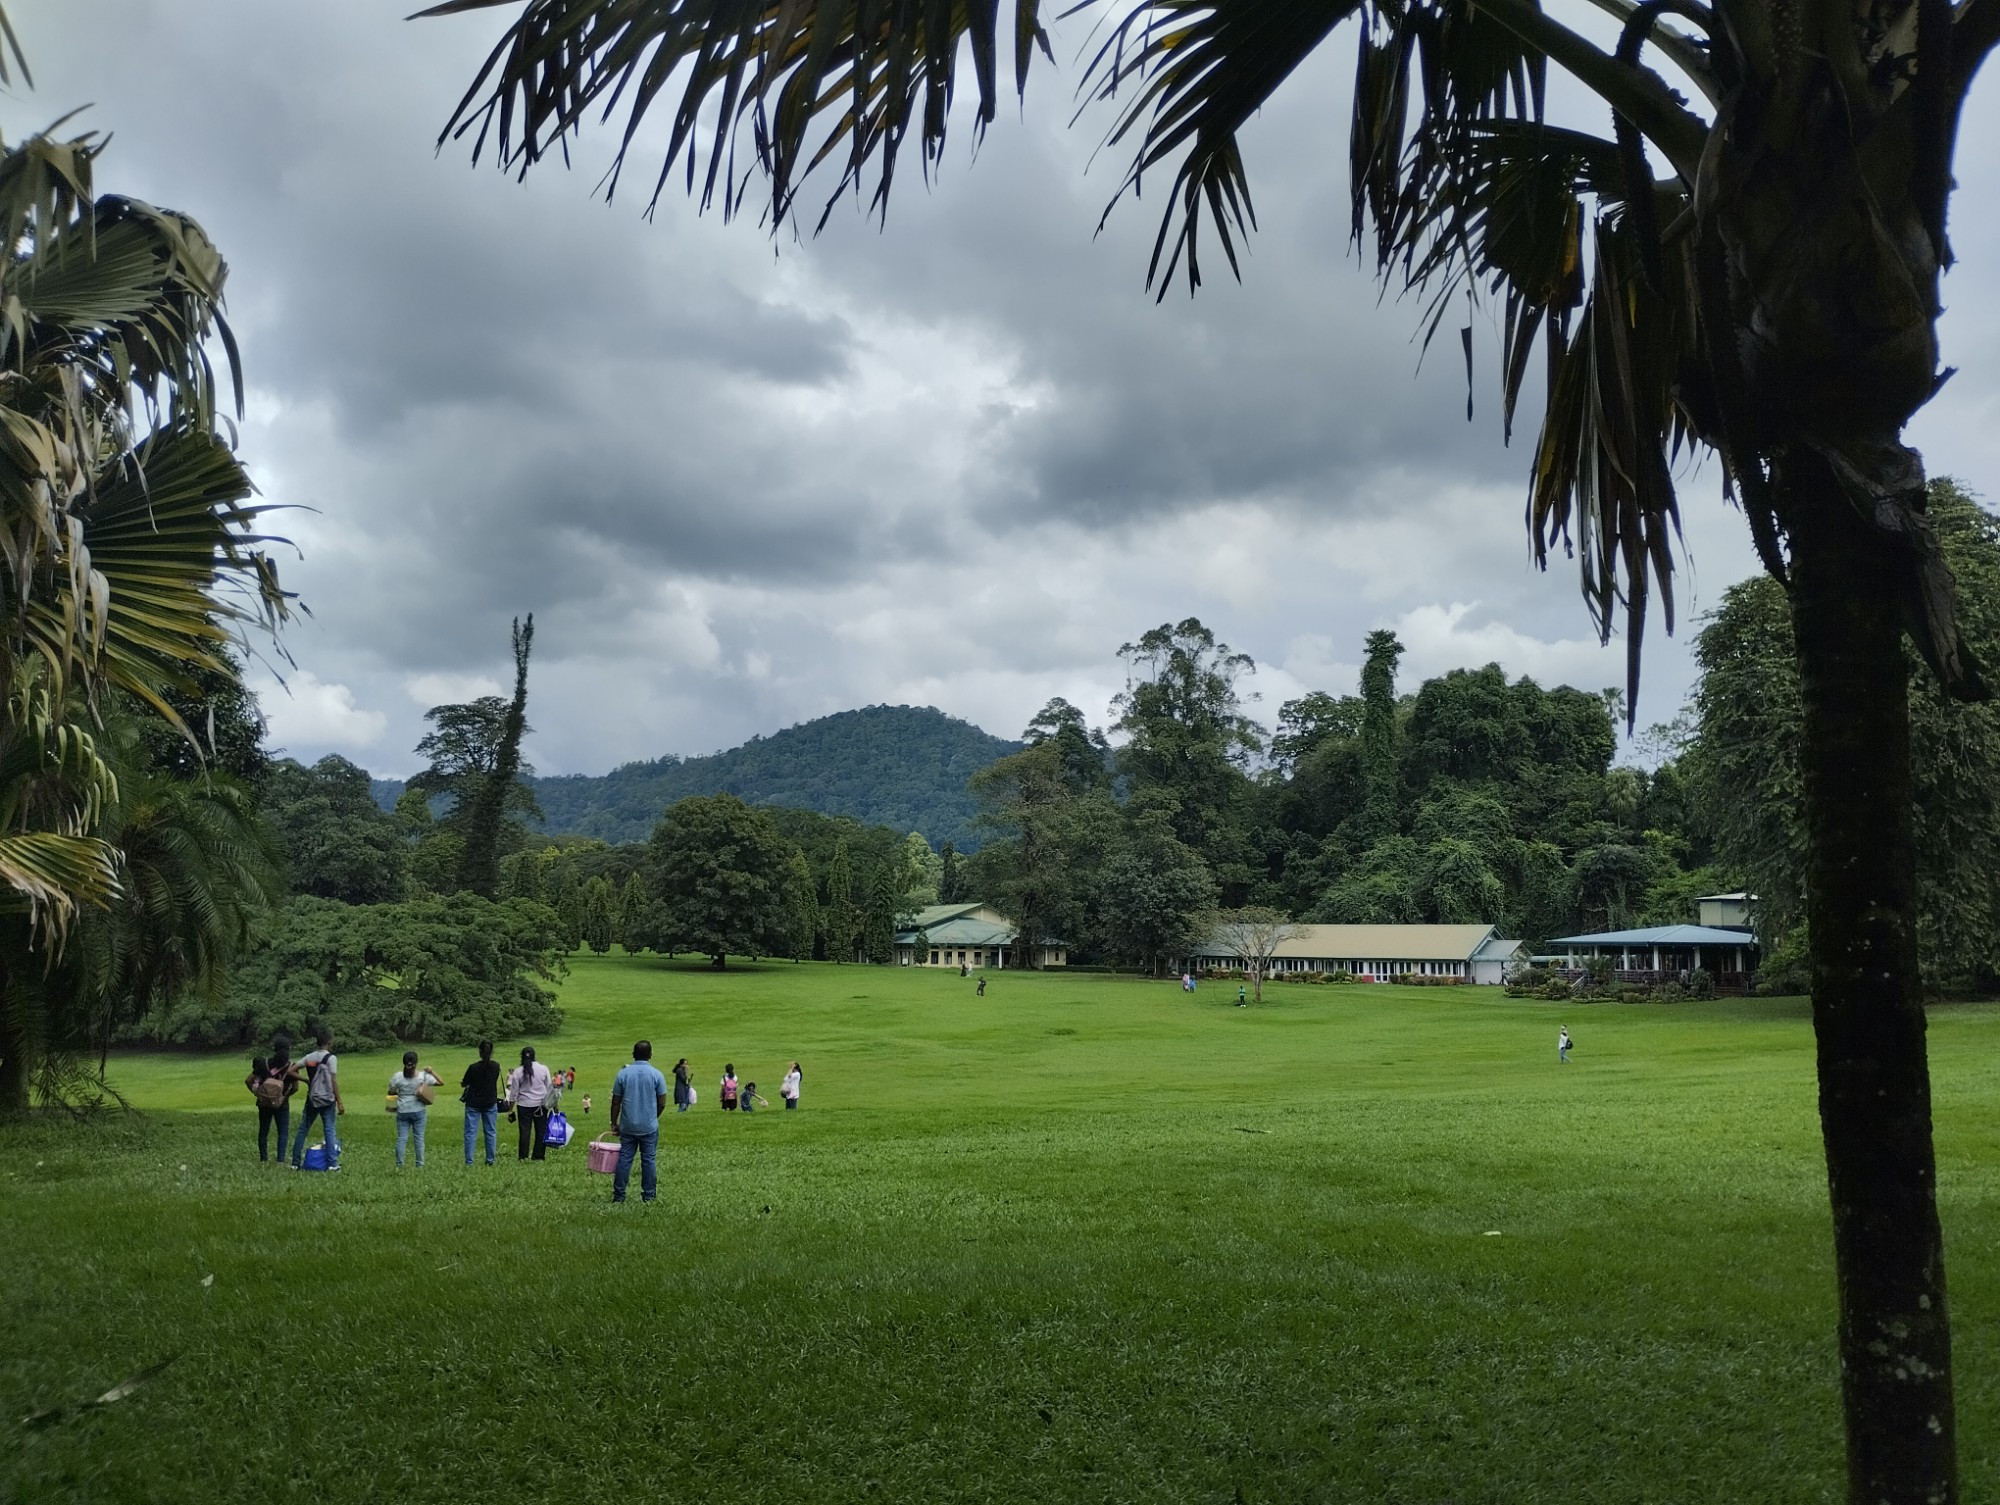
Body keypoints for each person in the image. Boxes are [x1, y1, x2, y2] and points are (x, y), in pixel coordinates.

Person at [610, 1040, 669, 1204]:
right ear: (650, 1055)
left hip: (627, 1126)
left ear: (633, 1054)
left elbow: (616, 1101)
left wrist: (614, 1122)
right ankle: (649, 1195)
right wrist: (653, 1116)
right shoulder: (657, 1074)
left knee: (625, 1159)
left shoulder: (623, 1074)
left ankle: (619, 1195)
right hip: (649, 1125)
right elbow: (662, 1101)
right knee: (648, 1160)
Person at [290, 1029, 344, 1170]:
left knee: (303, 1129)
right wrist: (339, 1101)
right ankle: (332, 1163)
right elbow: (333, 1081)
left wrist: (306, 1080)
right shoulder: (331, 1058)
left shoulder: (309, 1057)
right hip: (327, 1099)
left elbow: (291, 1071)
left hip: (312, 1098)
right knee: (329, 1130)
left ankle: (295, 1163)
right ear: (328, 1042)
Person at [388, 1050, 441, 1168]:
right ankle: (419, 1164)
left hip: (402, 1110)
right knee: (419, 1138)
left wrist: (395, 1103)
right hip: (419, 1110)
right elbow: (440, 1082)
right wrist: (431, 1071)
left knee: (402, 1138)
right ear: (416, 1063)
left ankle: (399, 1164)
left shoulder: (398, 1076)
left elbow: (391, 1091)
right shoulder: (423, 1076)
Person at [508, 1045, 557, 1160]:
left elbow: (513, 1093)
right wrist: (555, 1105)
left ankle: (523, 1156)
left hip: (524, 1105)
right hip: (541, 1105)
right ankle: (538, 1155)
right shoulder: (543, 1069)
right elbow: (550, 1088)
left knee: (525, 1132)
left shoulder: (518, 1072)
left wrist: (510, 1110)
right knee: (541, 1131)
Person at [460, 1039, 502, 1166]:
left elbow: (465, 1082)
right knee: (490, 1132)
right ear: (492, 1052)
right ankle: (490, 1160)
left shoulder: (473, 1068)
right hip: (490, 1102)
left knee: (470, 1133)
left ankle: (469, 1161)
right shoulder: (496, 1066)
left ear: (479, 1051)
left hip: (473, 1103)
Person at [247, 1056, 288, 1162]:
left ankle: (263, 1158)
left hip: (264, 1103)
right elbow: (295, 1087)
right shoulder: (287, 1066)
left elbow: (248, 1080)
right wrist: (284, 1096)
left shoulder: (263, 1065)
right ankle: (280, 1158)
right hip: (281, 1104)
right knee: (282, 1131)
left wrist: (257, 1094)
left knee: (263, 1130)